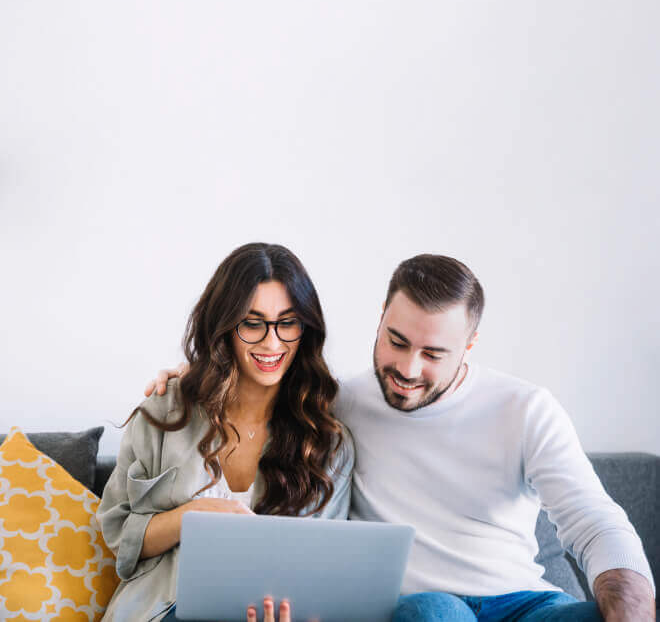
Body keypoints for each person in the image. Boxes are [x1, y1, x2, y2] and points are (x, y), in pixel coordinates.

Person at [150, 254, 655, 621]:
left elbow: (595, 522)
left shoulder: (526, 409)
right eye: (396, 341)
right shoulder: (334, 406)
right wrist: (187, 381)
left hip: (525, 602)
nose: (407, 370)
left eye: (433, 354)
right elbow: (249, 386)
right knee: (435, 614)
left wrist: (630, 608)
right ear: (381, 322)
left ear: (470, 345)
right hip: (424, 607)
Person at [98, 243, 354, 622]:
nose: (272, 342)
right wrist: (195, 515)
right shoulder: (163, 414)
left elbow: (326, 571)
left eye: (287, 322)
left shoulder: (329, 442)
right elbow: (121, 536)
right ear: (224, 326)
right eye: (252, 323)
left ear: (306, 327)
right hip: (164, 610)